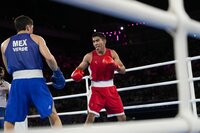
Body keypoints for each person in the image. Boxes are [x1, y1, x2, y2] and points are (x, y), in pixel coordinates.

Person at [1, 15, 66, 131]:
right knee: (52, 113)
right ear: (28, 27)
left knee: (9, 119)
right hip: (36, 81)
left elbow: (8, 69)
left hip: (17, 83)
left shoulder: (4, 44)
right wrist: (57, 73)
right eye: (32, 28)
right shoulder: (37, 38)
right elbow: (49, 58)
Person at [71, 32, 126, 124]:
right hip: (96, 90)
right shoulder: (89, 56)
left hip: (110, 89)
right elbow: (79, 69)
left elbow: (123, 70)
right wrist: (76, 74)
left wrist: (116, 66)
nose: (95, 43)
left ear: (104, 41)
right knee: (90, 116)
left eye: (97, 40)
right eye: (93, 41)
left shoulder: (112, 53)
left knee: (122, 117)